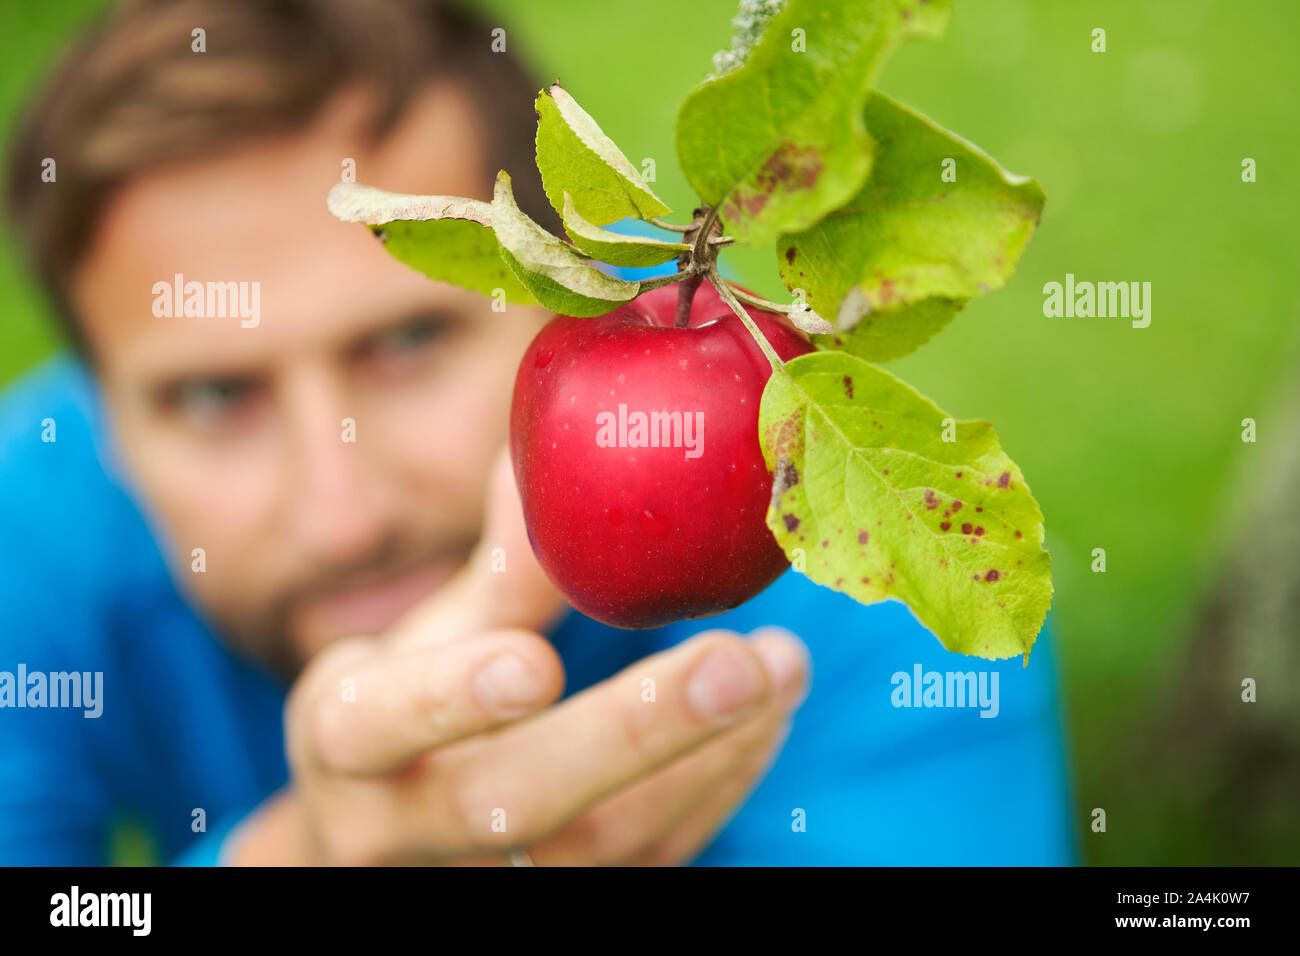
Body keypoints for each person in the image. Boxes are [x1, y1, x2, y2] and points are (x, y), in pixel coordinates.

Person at [0, 0, 1076, 865]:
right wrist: (297, 854)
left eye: (409, 338)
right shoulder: (31, 527)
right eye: (211, 398)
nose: (341, 514)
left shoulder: (840, 535)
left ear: (562, 279)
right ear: (95, 402)